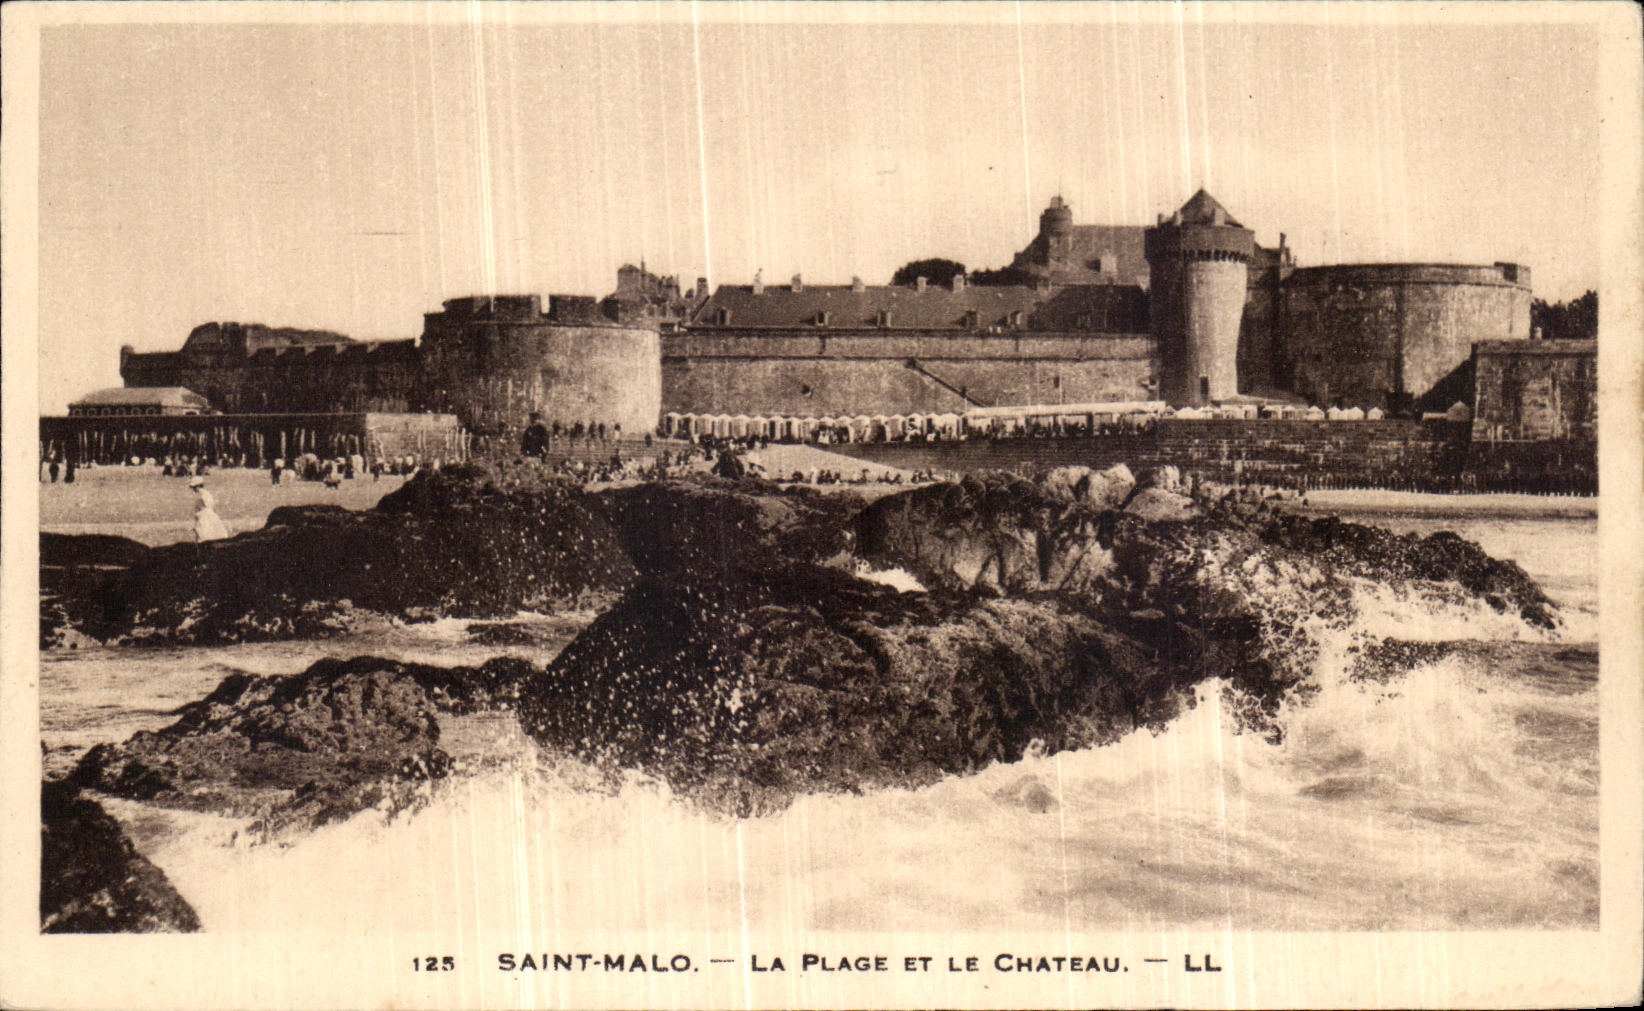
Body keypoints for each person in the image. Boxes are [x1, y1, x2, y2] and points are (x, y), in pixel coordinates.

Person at [189, 476, 229, 543]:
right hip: (205, 517)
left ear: (198, 486)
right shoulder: (203, 495)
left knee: (205, 536)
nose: (193, 489)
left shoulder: (204, 495)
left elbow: (209, 506)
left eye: (194, 487)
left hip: (206, 518)